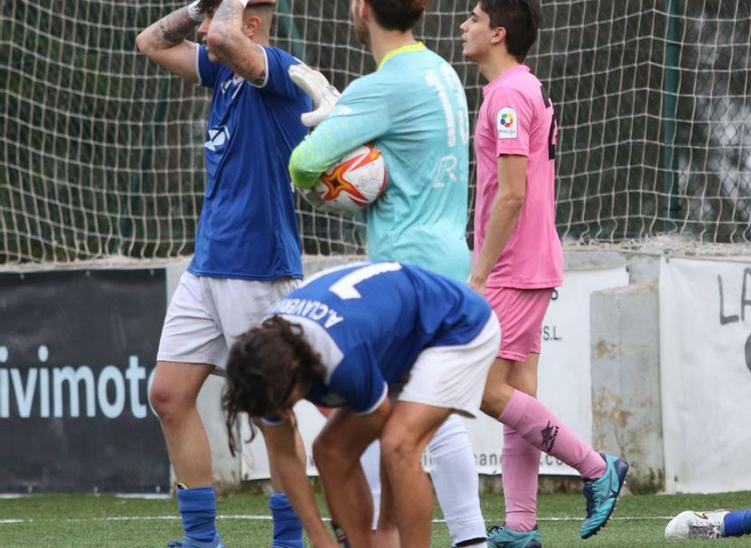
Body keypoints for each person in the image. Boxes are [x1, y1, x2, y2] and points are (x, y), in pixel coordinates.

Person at [285, 0, 485, 545]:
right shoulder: (441, 69)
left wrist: (339, 158)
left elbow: (302, 163)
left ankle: (384, 536)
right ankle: (459, 537)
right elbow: (397, 164)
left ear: (362, 9)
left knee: (391, 425)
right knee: (419, 421)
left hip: (406, 268)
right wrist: (358, 158)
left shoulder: (380, 87)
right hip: (449, 255)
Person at [135, 1, 321, 546]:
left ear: (252, 26)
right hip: (208, 262)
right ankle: (201, 540)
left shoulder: (277, 69)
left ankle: (290, 539)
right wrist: (198, 8)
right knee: (168, 394)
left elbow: (227, 38)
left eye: (224, 15)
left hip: (257, 268)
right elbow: (151, 42)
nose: (211, 26)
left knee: (272, 413)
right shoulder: (223, 70)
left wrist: (229, 12)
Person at [460, 1, 627, 545]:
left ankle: (597, 468)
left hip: (511, 266)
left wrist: (480, 274)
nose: (464, 26)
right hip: (533, 262)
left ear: (498, 33)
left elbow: (512, 193)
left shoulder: (508, 95)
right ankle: (520, 527)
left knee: (486, 392)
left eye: (474, 18)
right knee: (518, 395)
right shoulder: (525, 87)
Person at [223, 261, 499, 548]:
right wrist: (320, 539)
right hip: (396, 334)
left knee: (399, 445)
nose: (278, 414)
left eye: (281, 404)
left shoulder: (343, 359)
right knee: (329, 451)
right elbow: (284, 454)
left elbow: (387, 438)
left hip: (458, 327)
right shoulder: (263, 363)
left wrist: (388, 529)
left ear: (295, 367)